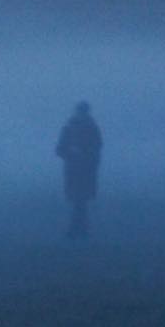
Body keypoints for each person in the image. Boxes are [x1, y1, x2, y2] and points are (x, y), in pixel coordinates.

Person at [55, 101, 102, 239]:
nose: (82, 114)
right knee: (79, 201)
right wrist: (71, 153)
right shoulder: (69, 128)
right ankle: (80, 230)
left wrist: (85, 155)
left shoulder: (92, 128)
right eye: (81, 111)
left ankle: (76, 230)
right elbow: (59, 149)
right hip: (74, 171)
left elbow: (97, 147)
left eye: (84, 111)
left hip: (86, 171)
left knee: (80, 201)